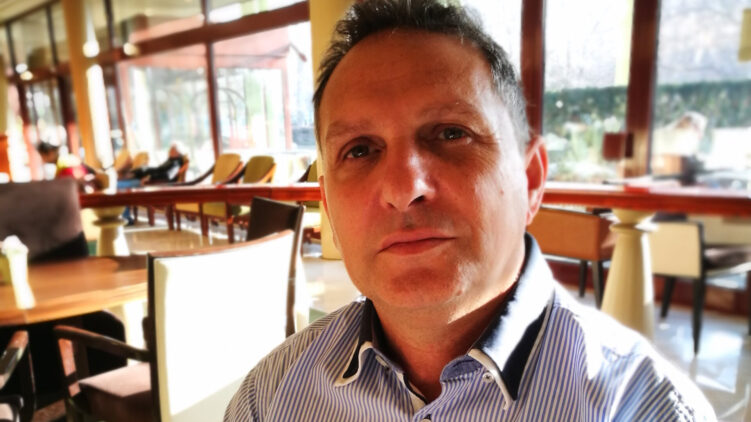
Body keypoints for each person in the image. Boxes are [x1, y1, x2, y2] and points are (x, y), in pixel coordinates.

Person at [225, 1, 714, 420]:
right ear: (329, 207)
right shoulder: (269, 398)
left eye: (451, 134)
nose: (403, 189)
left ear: (530, 180)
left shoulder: (643, 408)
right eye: (360, 150)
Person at [36, 141, 102, 192]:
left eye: (43, 156)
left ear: (50, 152)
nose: (43, 160)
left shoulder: (64, 165)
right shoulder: (67, 159)